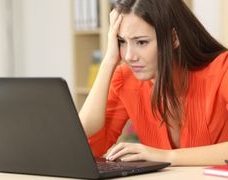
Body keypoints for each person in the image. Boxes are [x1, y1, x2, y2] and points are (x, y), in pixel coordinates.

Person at [79, 0, 228, 166]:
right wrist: (108, 62)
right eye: (122, 41)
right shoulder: (125, 78)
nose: (129, 56)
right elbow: (84, 144)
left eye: (141, 42)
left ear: (173, 38)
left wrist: (166, 157)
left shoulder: (223, 70)